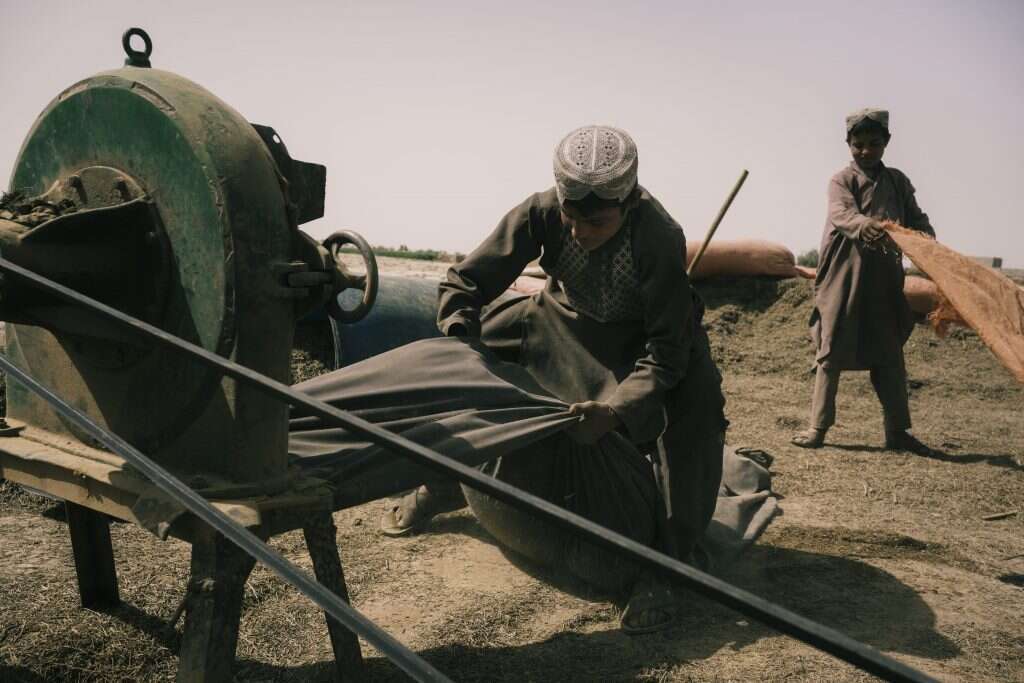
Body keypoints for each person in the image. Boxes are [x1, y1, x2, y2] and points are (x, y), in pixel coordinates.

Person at [378, 125, 728, 633]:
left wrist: (614, 411)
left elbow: (668, 352)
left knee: (693, 410)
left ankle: (665, 565)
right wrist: (461, 338)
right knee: (454, 365)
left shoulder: (658, 236)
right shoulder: (540, 211)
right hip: (563, 318)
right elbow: (466, 282)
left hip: (648, 343)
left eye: (597, 221)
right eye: (572, 216)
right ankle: (445, 482)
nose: (580, 231)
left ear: (626, 205)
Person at [792, 109, 936, 454]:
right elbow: (842, 214)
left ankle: (898, 432)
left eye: (874, 144)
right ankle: (818, 427)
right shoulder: (841, 180)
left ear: (886, 143)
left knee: (888, 352)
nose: (865, 151)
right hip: (844, 273)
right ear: (848, 144)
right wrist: (863, 224)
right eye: (858, 144)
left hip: (884, 278)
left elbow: (917, 218)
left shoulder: (898, 181)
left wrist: (926, 240)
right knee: (832, 347)